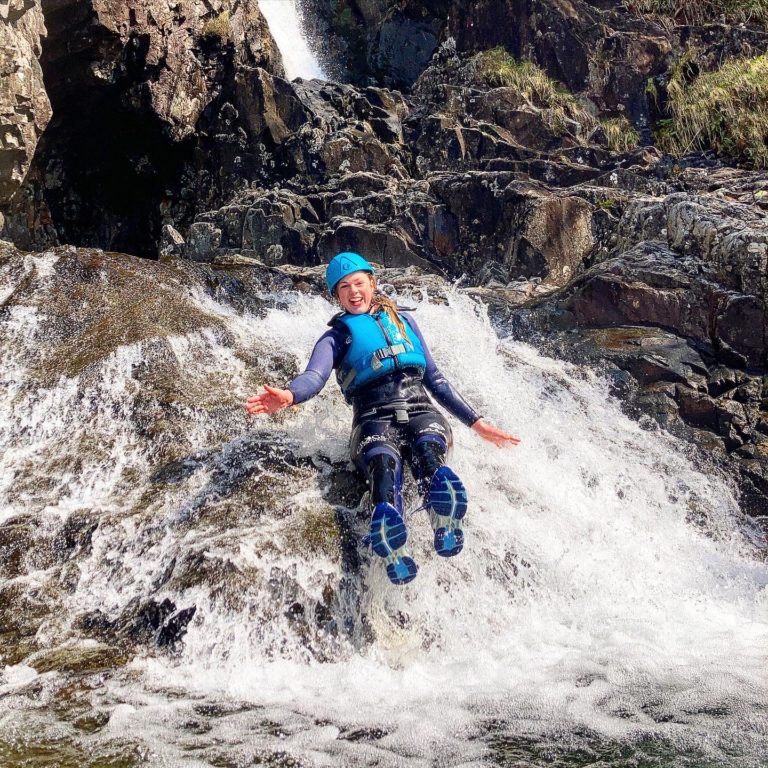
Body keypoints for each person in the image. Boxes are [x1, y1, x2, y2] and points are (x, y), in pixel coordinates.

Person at [246, 252, 520, 585]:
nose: (353, 291)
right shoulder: (336, 338)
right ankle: (393, 545)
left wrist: (477, 423)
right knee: (382, 468)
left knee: (429, 453)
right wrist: (289, 396)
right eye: (344, 287)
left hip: (422, 410)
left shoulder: (405, 323)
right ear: (336, 295)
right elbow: (313, 376)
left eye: (359, 283)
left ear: (372, 284)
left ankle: (444, 519)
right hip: (373, 420)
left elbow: (436, 379)